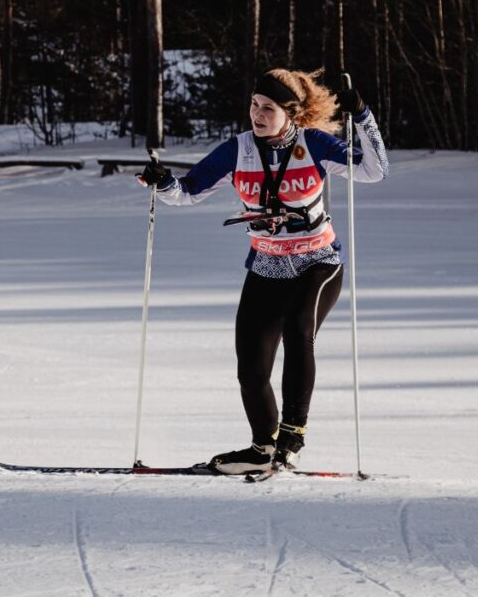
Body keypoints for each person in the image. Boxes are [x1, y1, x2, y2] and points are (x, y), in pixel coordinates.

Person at [137, 68, 388, 474]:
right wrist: (162, 182)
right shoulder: (238, 150)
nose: (256, 113)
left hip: (317, 261)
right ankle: (262, 447)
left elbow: (374, 171)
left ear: (290, 112)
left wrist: (362, 117)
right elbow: (186, 193)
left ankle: (293, 435)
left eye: (267, 107)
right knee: (251, 368)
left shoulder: (314, 144)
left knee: (298, 330)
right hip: (267, 265)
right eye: (254, 104)